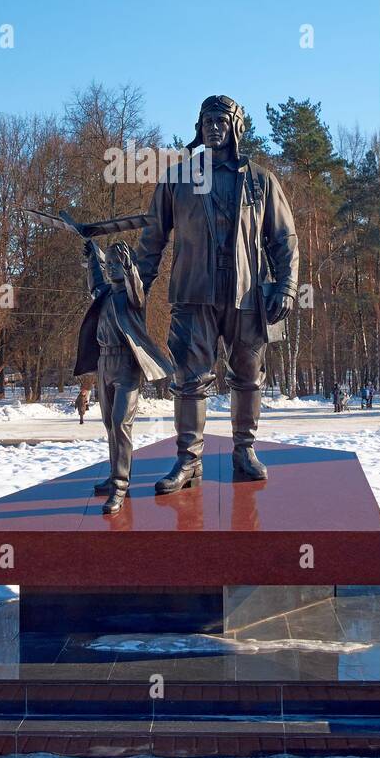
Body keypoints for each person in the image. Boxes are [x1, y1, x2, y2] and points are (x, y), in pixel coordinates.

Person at [134, 95, 299, 493]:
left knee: (248, 378)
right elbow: (153, 237)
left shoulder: (261, 180)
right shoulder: (177, 178)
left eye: (220, 120)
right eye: (206, 120)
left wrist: (287, 285)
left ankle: (244, 451)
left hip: (247, 295)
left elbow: (283, 239)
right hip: (194, 293)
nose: (212, 127)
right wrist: (136, 286)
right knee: (189, 380)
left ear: (237, 127)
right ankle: (188, 460)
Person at [73, 239, 174, 515]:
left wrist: (130, 269)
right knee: (108, 424)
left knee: (120, 423)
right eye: (110, 264)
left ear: (127, 264)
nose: (111, 268)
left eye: (117, 263)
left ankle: (120, 485)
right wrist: (93, 256)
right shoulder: (104, 294)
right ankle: (113, 475)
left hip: (127, 364)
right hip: (105, 362)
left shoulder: (133, 298)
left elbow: (137, 289)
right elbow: (94, 283)